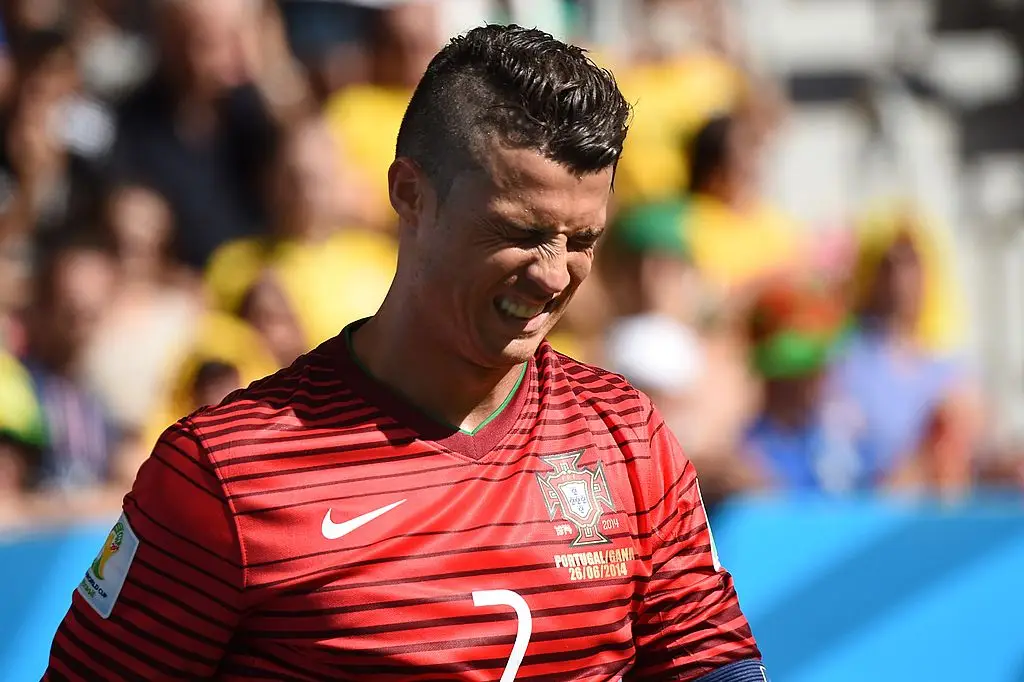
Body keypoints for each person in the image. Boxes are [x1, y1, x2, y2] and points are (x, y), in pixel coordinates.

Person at [44, 25, 766, 681]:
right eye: (519, 230)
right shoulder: (226, 473)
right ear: (410, 195)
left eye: (582, 241)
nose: (553, 273)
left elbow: (713, 666)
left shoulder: (627, 439)